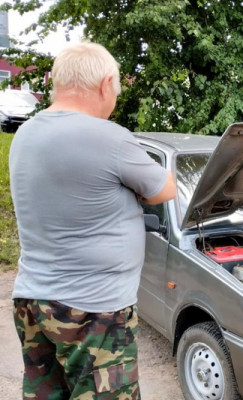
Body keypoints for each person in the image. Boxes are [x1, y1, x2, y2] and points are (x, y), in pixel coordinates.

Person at [9, 42, 176, 399]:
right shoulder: (109, 137)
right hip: (91, 309)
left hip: (33, 301)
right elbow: (165, 189)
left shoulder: (25, 134)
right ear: (105, 84)